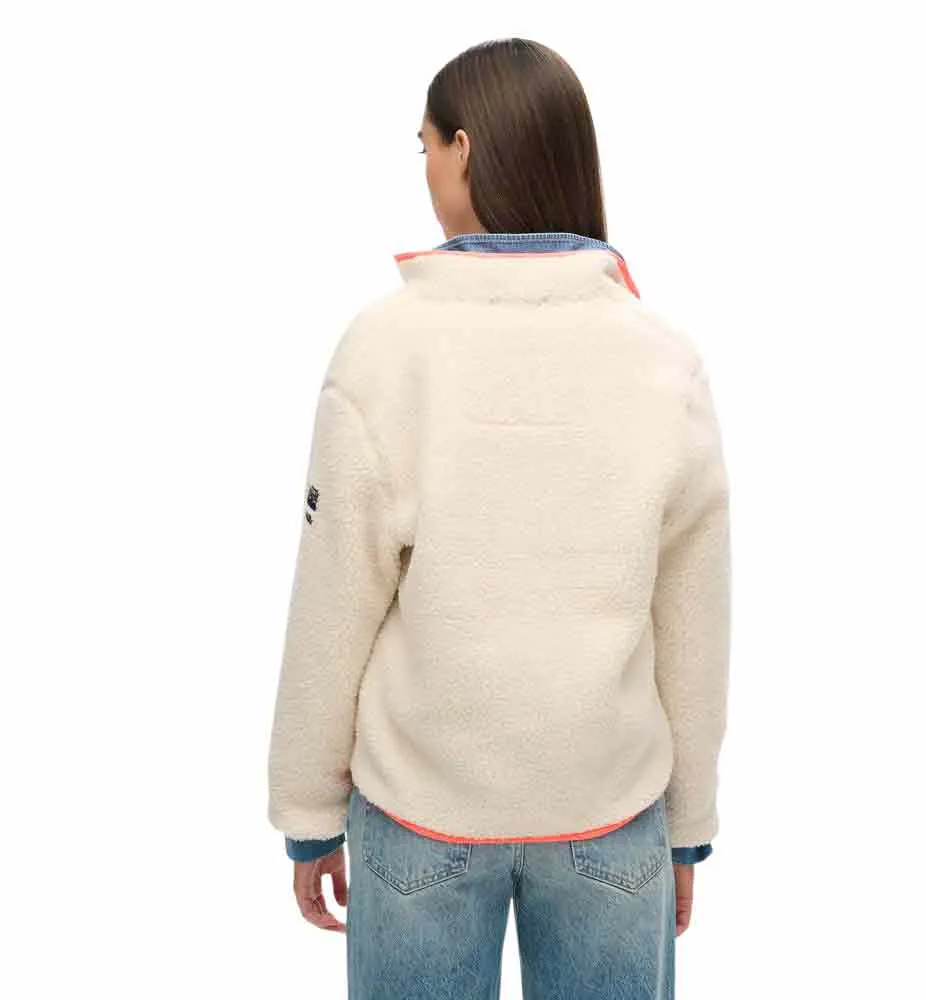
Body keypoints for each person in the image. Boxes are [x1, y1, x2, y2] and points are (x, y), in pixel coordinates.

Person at [267, 36, 730, 1000]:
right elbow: (694, 620)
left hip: (421, 810)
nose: (424, 166)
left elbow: (334, 600)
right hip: (610, 808)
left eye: (426, 144)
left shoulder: (385, 349)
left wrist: (307, 811)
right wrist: (688, 826)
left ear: (465, 150)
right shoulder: (662, 359)